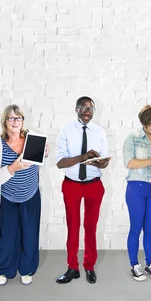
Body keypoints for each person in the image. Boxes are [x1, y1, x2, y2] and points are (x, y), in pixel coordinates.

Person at [0, 104, 44, 286]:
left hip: (31, 196)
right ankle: (5, 269)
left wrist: (46, 153)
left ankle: (26, 269)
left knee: (29, 235)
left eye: (18, 118)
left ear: (23, 121)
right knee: (8, 236)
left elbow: (38, 162)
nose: (15, 121)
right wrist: (12, 168)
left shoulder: (32, 138)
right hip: (7, 198)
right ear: (5, 121)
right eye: (11, 118)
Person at [55, 96, 110, 284]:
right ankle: (72, 267)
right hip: (72, 184)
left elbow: (103, 161)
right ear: (76, 109)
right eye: (84, 108)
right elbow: (60, 163)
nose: (88, 112)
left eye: (91, 109)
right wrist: (83, 156)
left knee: (91, 227)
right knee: (73, 227)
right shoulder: (66, 132)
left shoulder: (100, 132)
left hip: (94, 184)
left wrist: (102, 162)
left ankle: (89, 266)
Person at [122, 105, 151, 281]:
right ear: (144, 123)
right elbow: (130, 163)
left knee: (150, 228)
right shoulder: (132, 139)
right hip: (136, 188)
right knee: (135, 228)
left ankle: (150, 264)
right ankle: (135, 265)